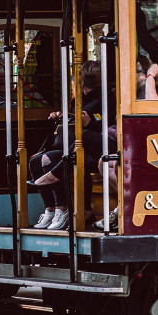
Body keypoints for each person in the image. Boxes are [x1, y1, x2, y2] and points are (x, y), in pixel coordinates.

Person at [30, 60, 107, 230]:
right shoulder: (79, 99)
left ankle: (63, 208)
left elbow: (109, 128)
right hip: (74, 146)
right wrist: (62, 116)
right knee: (35, 161)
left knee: (49, 159)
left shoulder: (105, 98)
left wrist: (91, 123)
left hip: (95, 149)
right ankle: (50, 209)